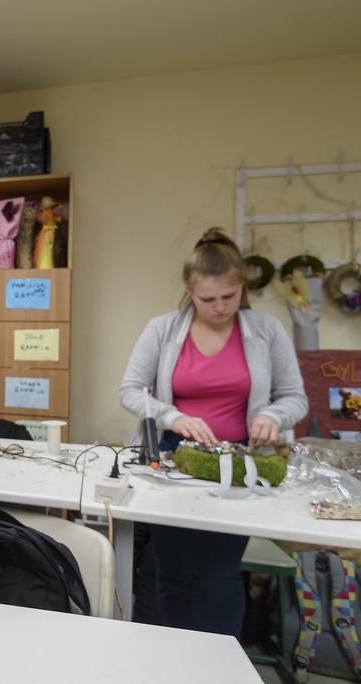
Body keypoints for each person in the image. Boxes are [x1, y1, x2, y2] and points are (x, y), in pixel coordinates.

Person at [118, 226, 307, 635]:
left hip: (238, 466)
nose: (220, 307)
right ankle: (175, 661)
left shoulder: (266, 331)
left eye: (229, 297)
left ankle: (221, 666)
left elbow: (295, 398)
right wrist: (172, 417)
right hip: (172, 461)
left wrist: (273, 417)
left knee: (220, 572)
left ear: (242, 288)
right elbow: (130, 390)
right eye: (207, 299)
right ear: (189, 290)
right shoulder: (163, 329)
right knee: (175, 571)